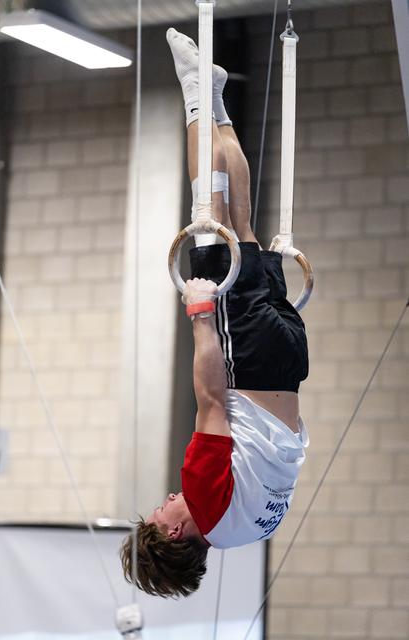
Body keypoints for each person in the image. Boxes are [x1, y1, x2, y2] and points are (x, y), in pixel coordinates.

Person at [120, 28, 309, 598]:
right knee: (211, 219)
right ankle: (196, 93)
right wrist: (202, 313)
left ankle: (219, 100)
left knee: (242, 227)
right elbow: (210, 400)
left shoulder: (250, 532)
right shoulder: (203, 498)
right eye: (162, 510)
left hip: (289, 365)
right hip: (246, 360)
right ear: (176, 532)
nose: (167, 501)